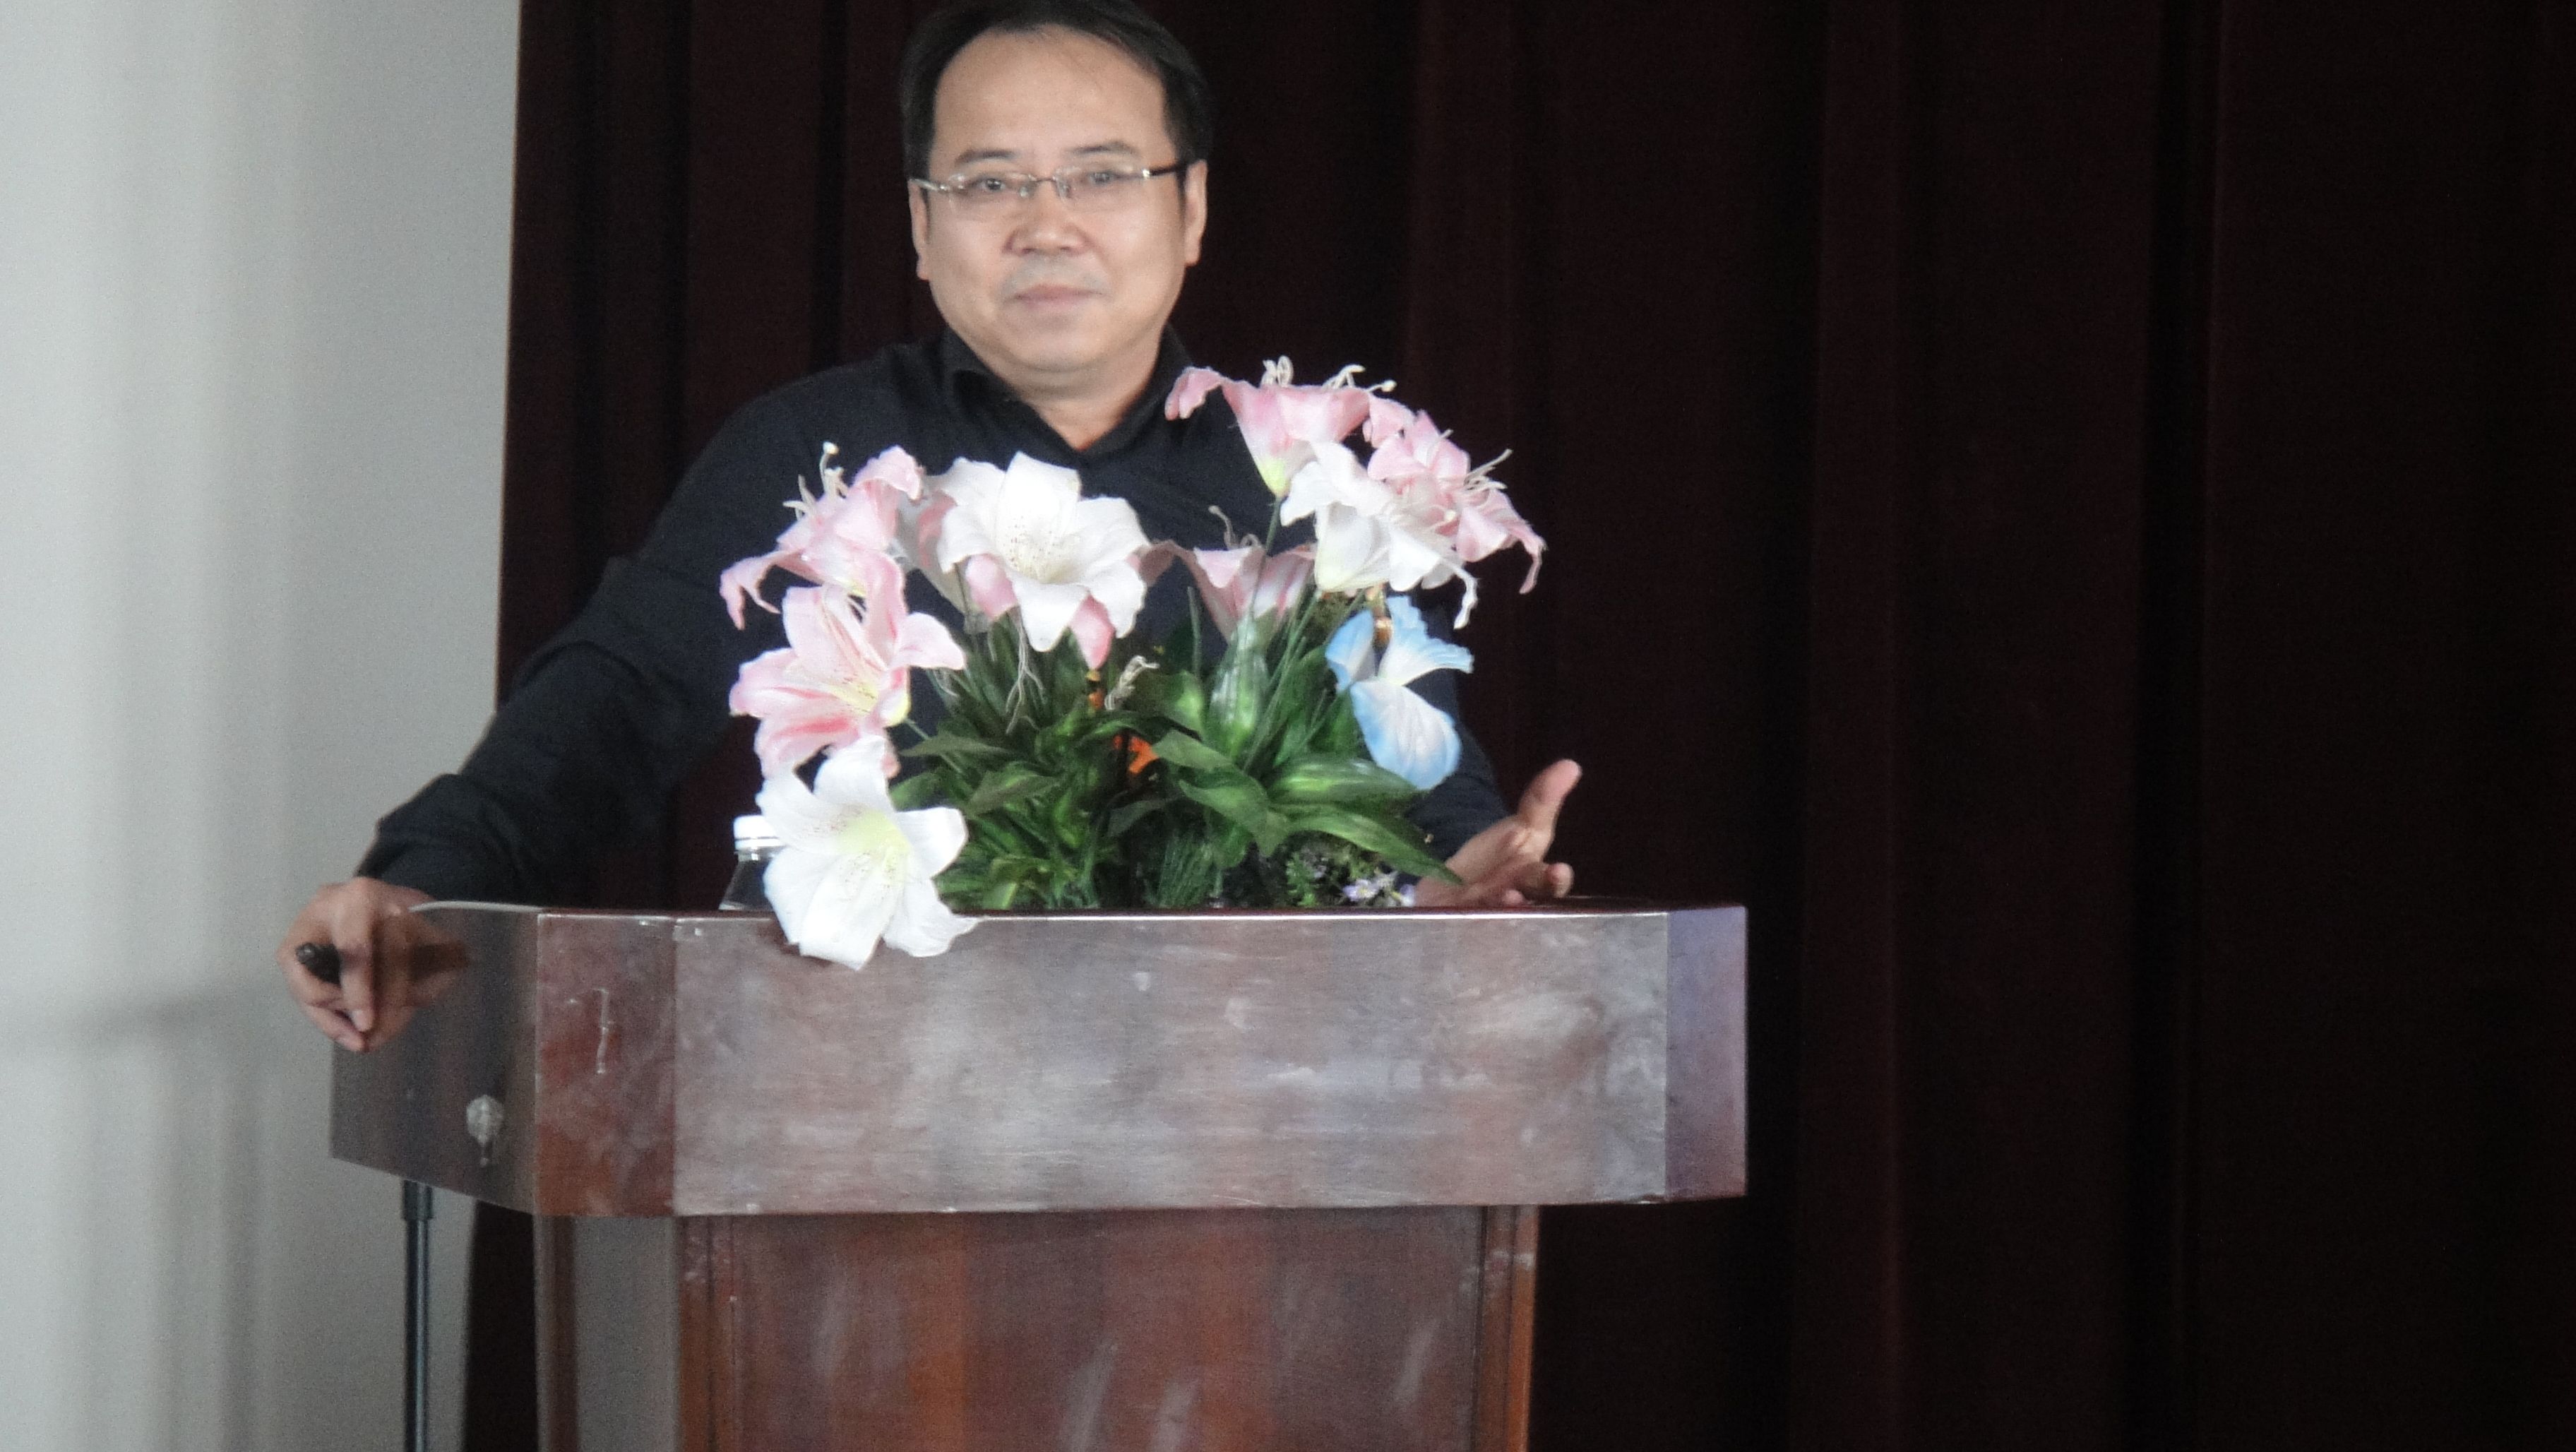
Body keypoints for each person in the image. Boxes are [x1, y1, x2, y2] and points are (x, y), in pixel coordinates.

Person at [277, 0, 1579, 1054]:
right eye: (989, 182)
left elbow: (1412, 770)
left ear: (1190, 210)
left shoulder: (1294, 477)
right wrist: (419, 883)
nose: (1047, 224)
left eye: (1102, 175)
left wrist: (1476, 865)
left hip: (1249, 1090)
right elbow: (614, 702)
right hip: (869, 1083)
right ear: (920, 223)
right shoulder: (815, 456)